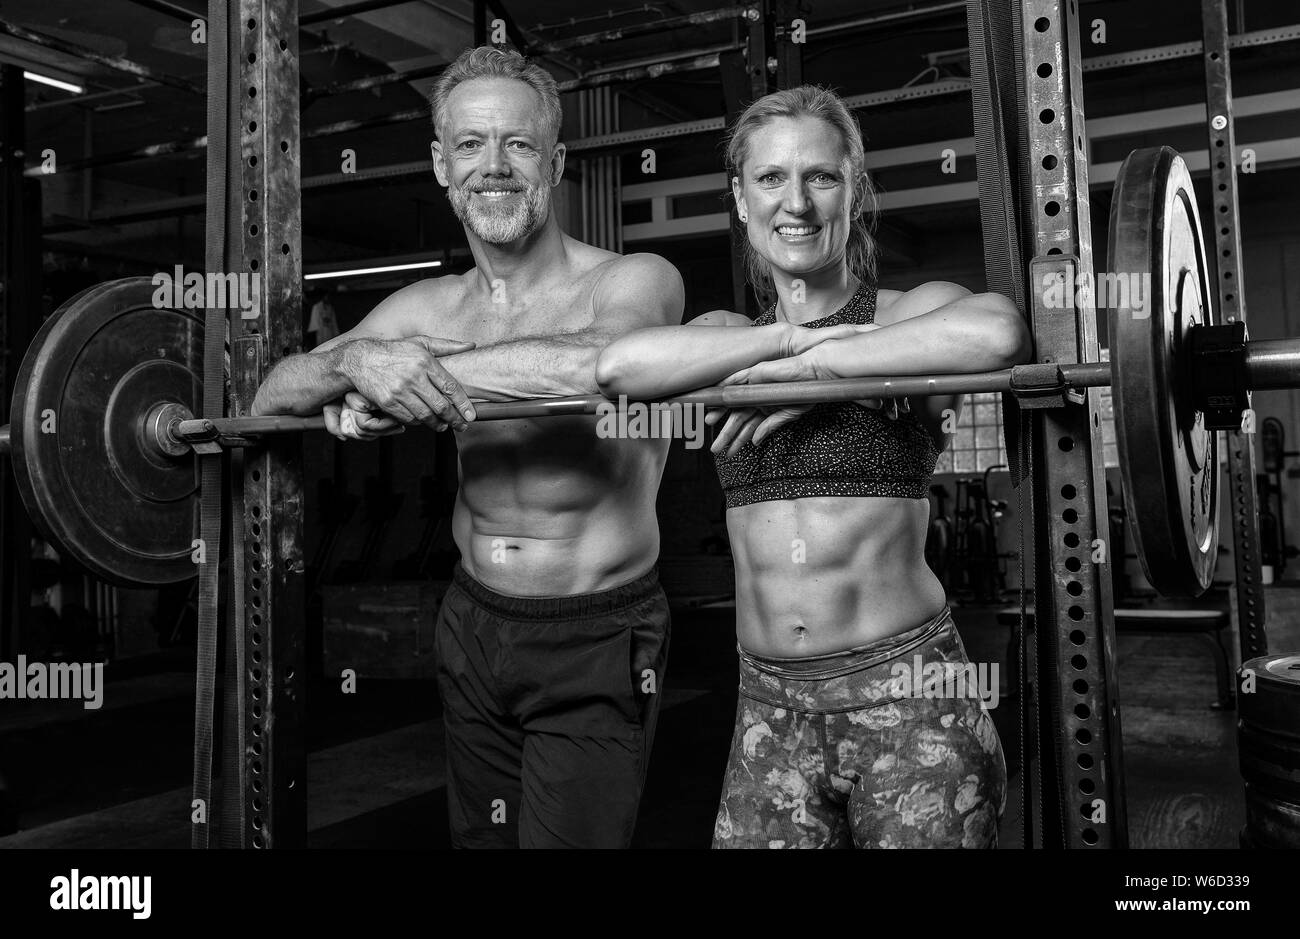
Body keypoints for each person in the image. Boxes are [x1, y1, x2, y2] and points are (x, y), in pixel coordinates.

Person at [251, 46, 684, 848]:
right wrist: (354, 363)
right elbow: (273, 393)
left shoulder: (632, 279)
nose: (496, 166)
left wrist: (411, 374)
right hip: (473, 622)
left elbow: (599, 363)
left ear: (553, 162)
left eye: (518, 145)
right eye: (472, 145)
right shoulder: (425, 305)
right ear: (441, 165)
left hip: (593, 630)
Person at [596, 85, 1030, 848]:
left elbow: (997, 332)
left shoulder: (900, 316)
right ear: (739, 198)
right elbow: (621, 366)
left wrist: (830, 365)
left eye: (821, 177)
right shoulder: (727, 334)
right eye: (769, 178)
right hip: (769, 710)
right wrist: (786, 345)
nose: (795, 201)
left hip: (910, 700)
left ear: (853, 191)